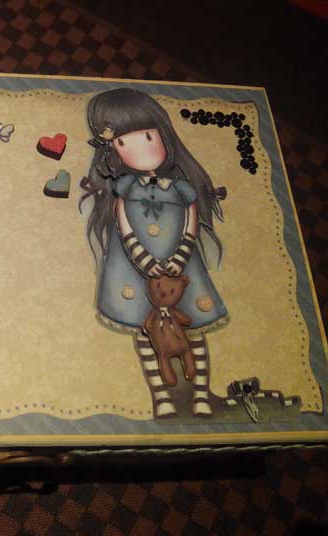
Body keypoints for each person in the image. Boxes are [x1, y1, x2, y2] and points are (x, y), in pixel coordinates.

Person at [79, 88, 228, 418]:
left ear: (163, 134)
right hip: (133, 270)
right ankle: (161, 397)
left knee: (193, 329)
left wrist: (178, 259)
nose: (140, 149)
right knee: (143, 329)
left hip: (181, 269)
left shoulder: (181, 189)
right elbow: (125, 229)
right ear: (111, 149)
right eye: (123, 142)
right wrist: (145, 262)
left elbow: (190, 226)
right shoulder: (124, 189)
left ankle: (201, 394)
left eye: (148, 136)